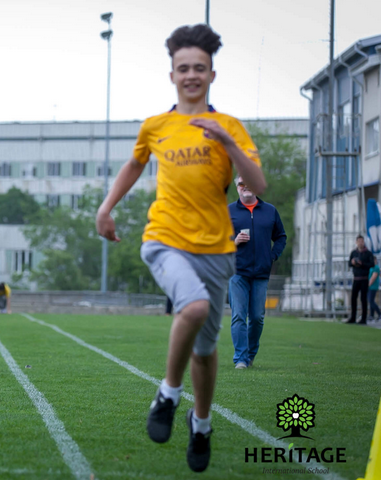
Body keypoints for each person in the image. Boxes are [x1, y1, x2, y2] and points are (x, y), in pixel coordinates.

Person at [95, 24, 266, 473]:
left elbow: (260, 183)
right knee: (190, 309)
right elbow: (134, 166)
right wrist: (106, 207)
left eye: (200, 68)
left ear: (212, 74)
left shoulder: (230, 126)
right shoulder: (156, 126)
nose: (191, 75)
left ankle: (202, 423)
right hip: (165, 238)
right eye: (183, 68)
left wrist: (226, 141)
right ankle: (168, 395)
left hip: (216, 249)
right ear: (172, 74)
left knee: (206, 351)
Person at [228, 175, 286, 369]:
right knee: (238, 316)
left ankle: (250, 355)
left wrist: (272, 256)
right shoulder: (229, 212)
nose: (245, 187)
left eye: (249, 183)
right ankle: (241, 359)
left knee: (257, 317)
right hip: (237, 272)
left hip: (261, 272)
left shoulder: (270, 211)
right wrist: (233, 241)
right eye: (241, 184)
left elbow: (281, 237)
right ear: (237, 188)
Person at [348, 235, 374, 325]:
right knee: (353, 298)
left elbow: (372, 264)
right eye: (359, 241)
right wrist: (353, 263)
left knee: (363, 298)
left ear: (364, 242)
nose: (360, 243)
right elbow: (349, 264)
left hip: (364, 278)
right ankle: (353, 317)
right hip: (356, 278)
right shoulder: (353, 253)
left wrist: (362, 264)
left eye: (362, 241)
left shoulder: (368, 253)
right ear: (356, 242)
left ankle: (363, 318)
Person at [369, 257, 381, 322]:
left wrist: (367, 285)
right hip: (370, 287)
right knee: (371, 301)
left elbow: (373, 277)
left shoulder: (376, 267)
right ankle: (371, 315)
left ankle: (379, 314)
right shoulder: (370, 267)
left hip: (373, 286)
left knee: (371, 301)